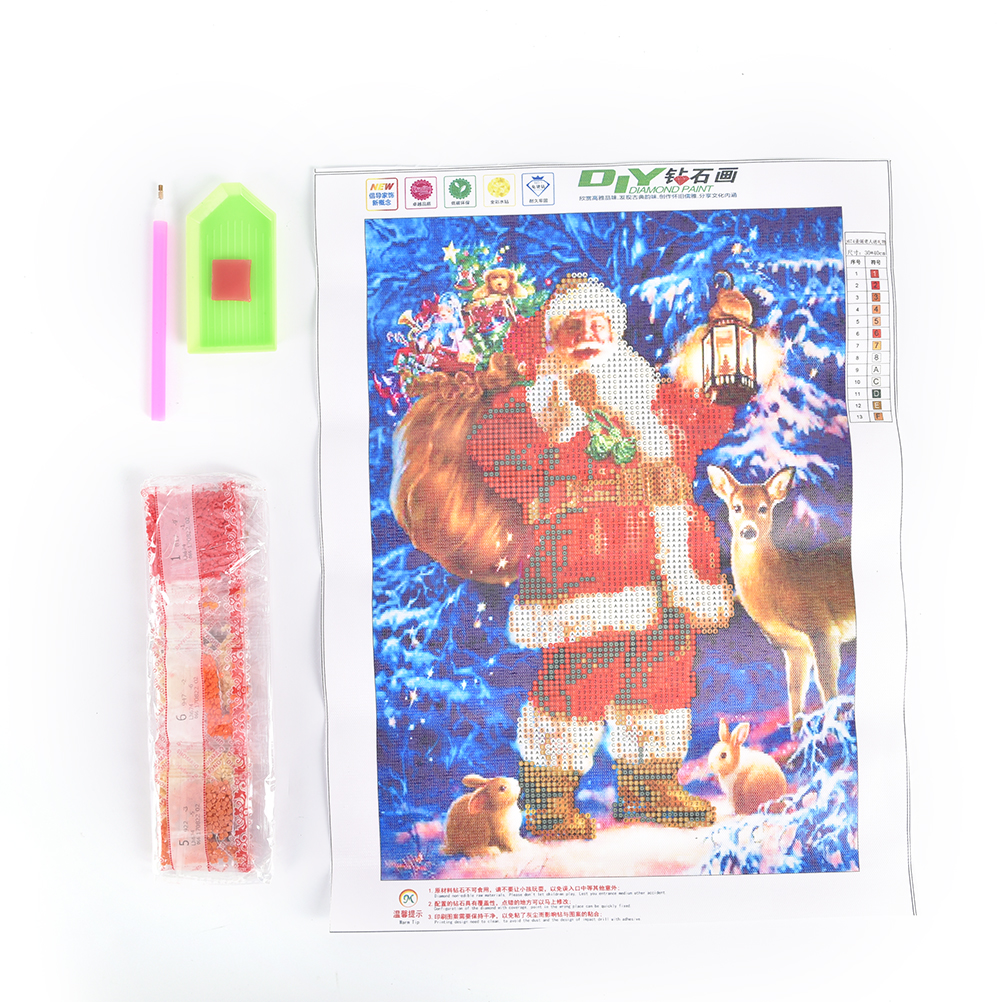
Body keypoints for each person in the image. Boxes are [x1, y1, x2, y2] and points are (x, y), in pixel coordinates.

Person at [466, 275, 735, 836]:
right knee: (581, 675)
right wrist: (558, 437)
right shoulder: (539, 397)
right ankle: (548, 802)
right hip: (589, 562)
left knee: (662, 672)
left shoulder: (647, 390)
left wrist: (727, 340)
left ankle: (649, 787)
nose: (587, 335)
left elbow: (706, 417)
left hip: (669, 560)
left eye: (599, 325)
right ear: (551, 337)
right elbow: (495, 456)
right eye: (573, 326)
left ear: (615, 333)